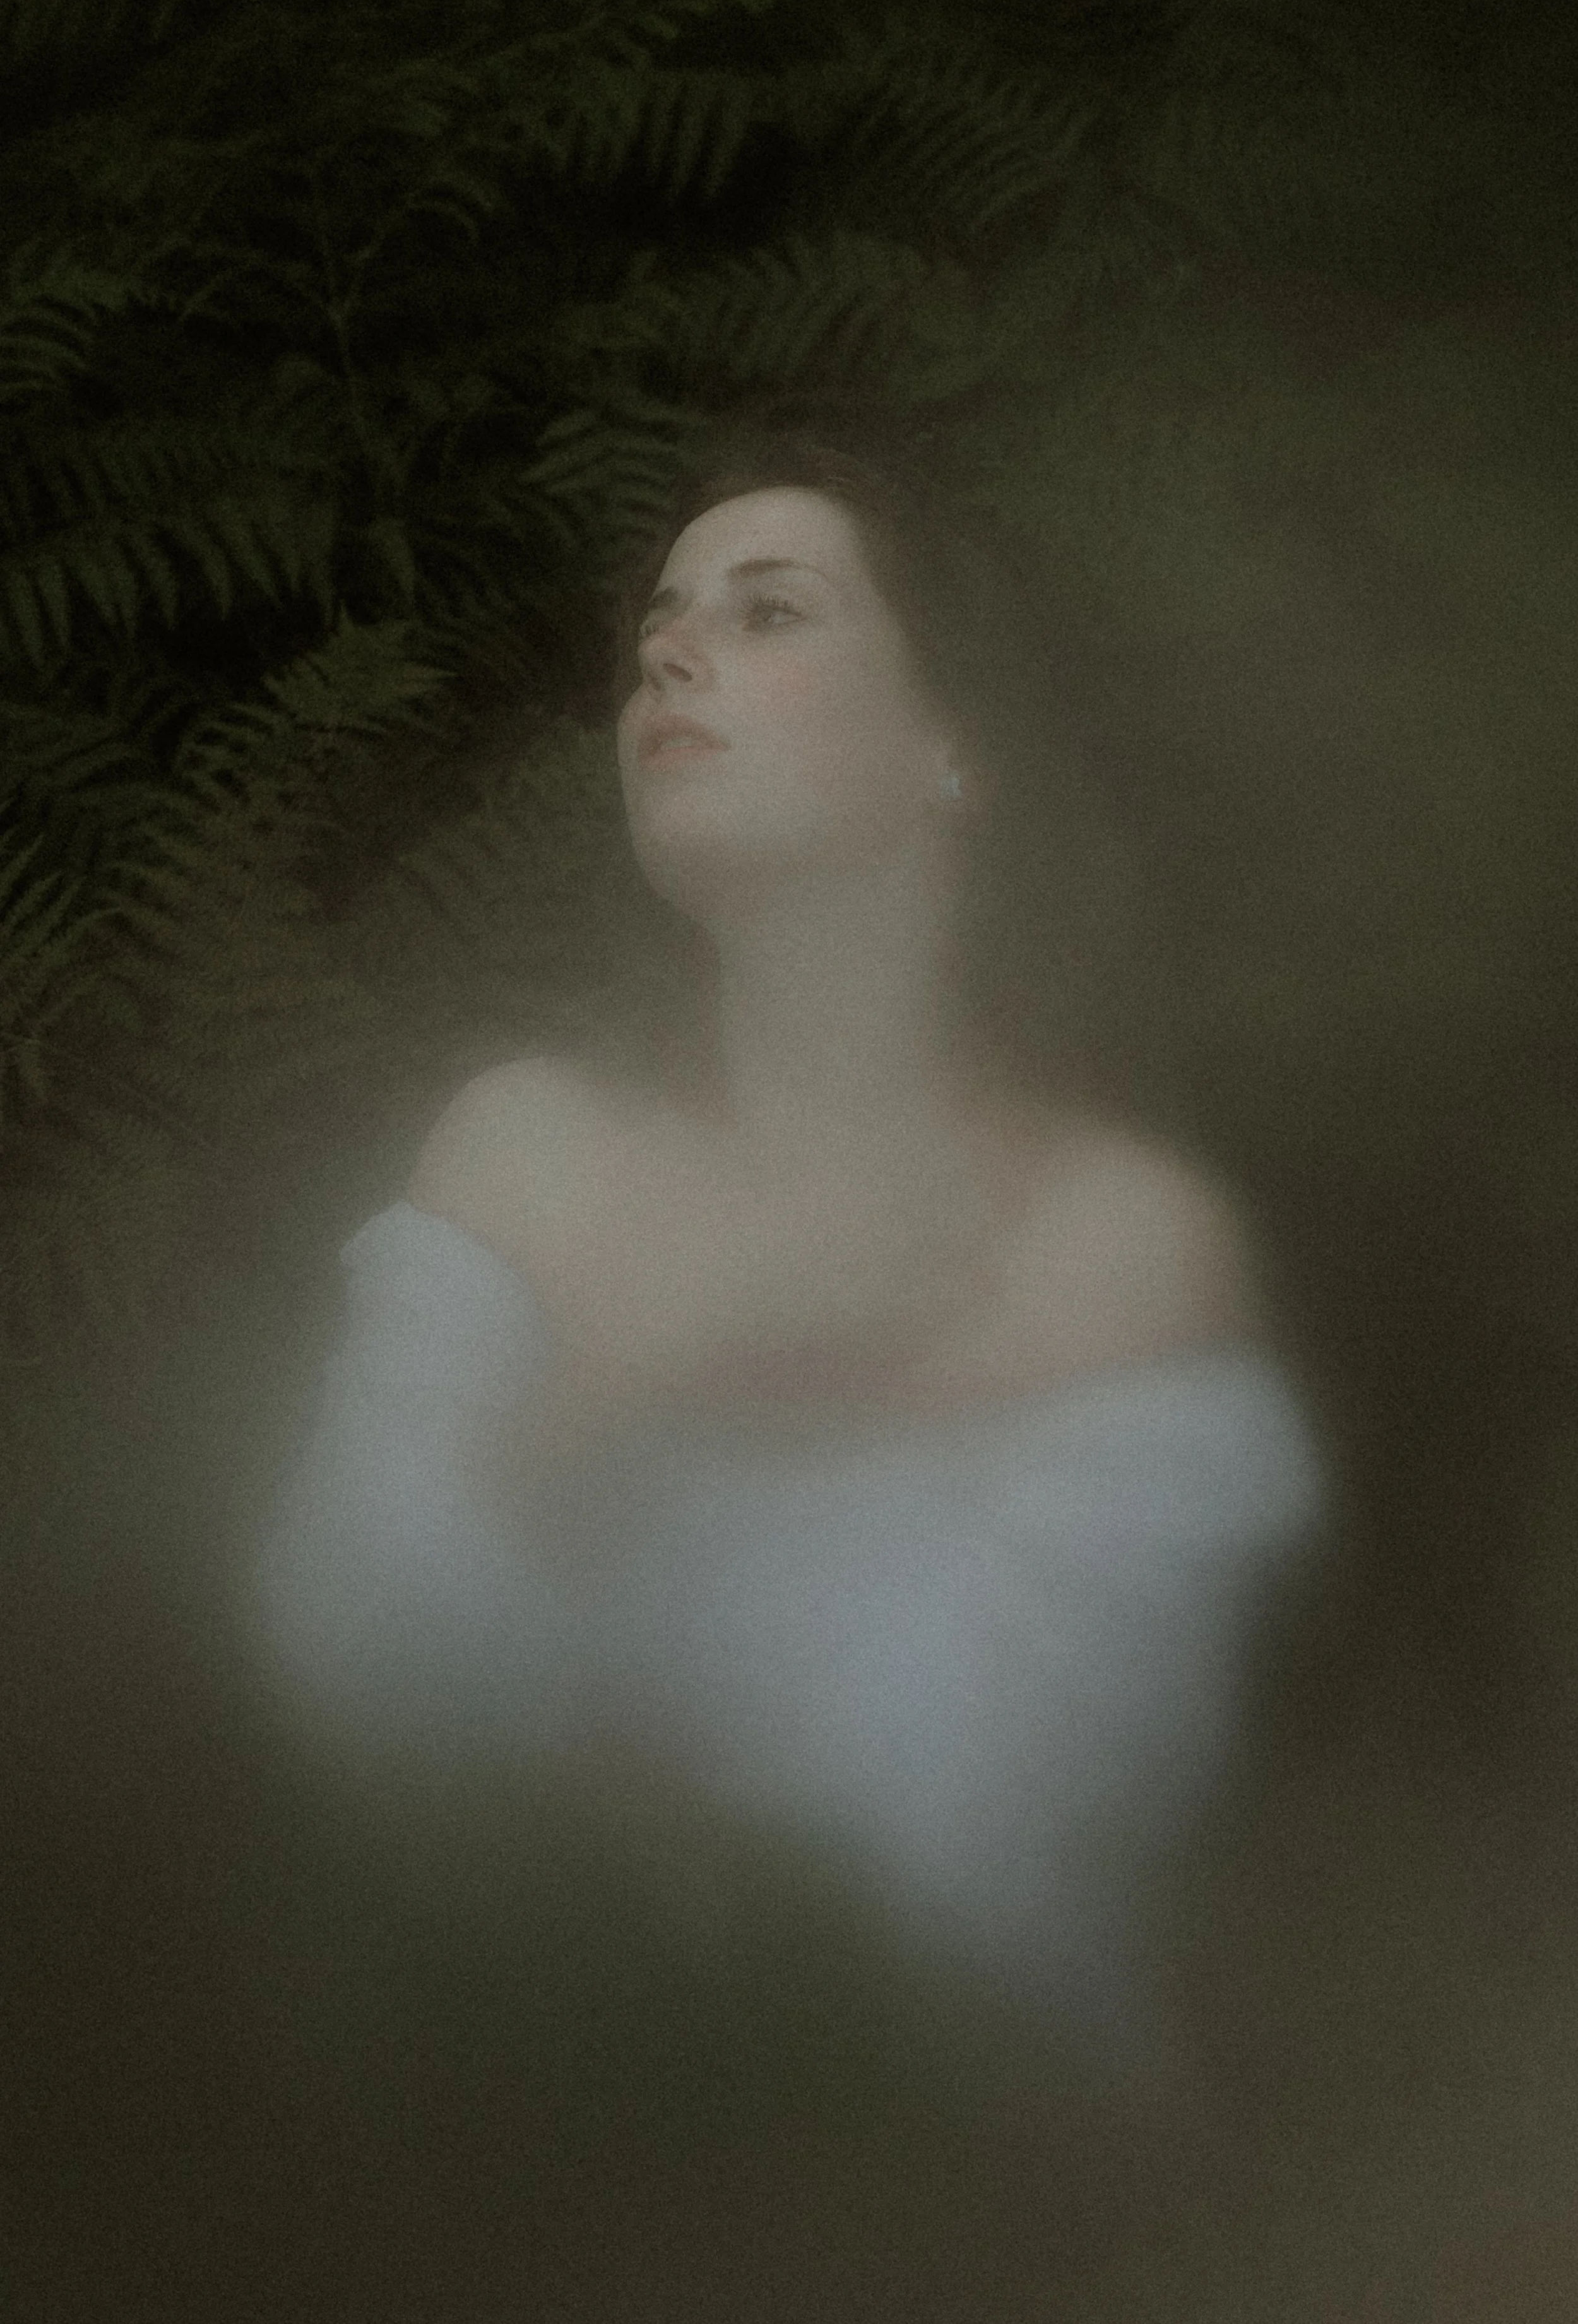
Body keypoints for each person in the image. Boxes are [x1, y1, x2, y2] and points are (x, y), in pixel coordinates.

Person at [246, 424, 1329, 2063]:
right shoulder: (525, 1152)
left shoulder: (1107, 1240)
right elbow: (332, 1684)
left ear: (945, 745)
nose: (668, 655)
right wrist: (637, 1382)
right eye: (660, 625)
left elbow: (1020, 1879)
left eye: (768, 612)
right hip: (485, 2105)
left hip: (954, 2158)